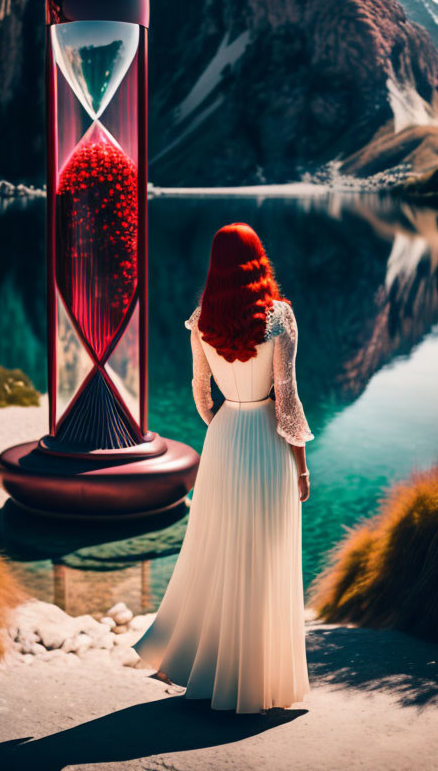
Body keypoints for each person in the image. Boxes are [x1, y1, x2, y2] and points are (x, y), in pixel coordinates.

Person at [133, 222, 313, 713]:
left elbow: (199, 390)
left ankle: (212, 671)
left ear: (216, 264)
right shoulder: (280, 317)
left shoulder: (200, 320)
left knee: (219, 550)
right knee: (266, 554)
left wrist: (223, 421)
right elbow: (287, 397)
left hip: (225, 438)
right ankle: (259, 679)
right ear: (259, 261)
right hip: (267, 439)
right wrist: (300, 464)